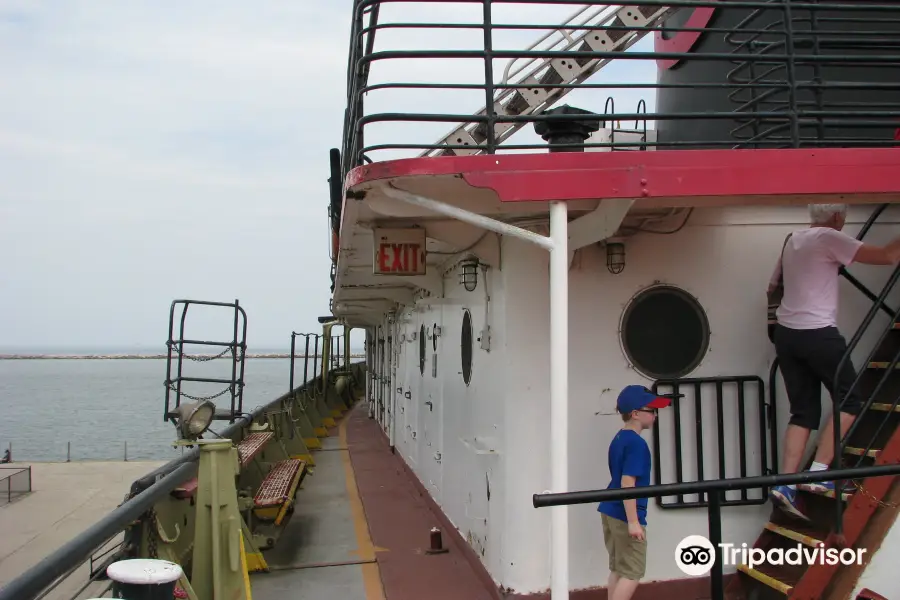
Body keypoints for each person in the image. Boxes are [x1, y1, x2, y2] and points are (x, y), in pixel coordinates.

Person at [768, 203, 900, 520]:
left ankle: (786, 483)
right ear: (838, 217)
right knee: (849, 399)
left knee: (804, 410)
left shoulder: (793, 238)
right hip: (818, 333)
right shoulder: (829, 237)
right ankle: (817, 473)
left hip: (787, 334)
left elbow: (773, 285)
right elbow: (886, 256)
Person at [598, 385, 671, 600]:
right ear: (636, 414)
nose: (655, 415)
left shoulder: (620, 438)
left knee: (619, 569)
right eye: (651, 410)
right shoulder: (637, 444)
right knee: (632, 572)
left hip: (610, 509)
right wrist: (633, 521)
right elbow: (628, 482)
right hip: (625, 514)